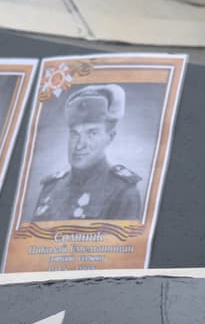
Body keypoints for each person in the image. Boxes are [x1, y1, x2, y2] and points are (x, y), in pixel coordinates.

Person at [30, 84, 142, 221]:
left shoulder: (123, 192)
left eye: (92, 133)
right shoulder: (50, 188)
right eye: (74, 134)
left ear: (110, 137)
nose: (79, 146)